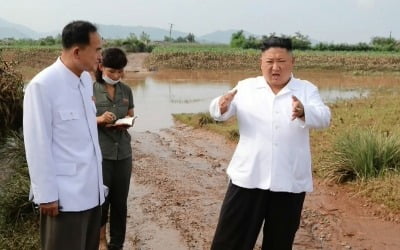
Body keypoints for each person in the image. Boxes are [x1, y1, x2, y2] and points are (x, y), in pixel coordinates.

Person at [209, 37, 331, 250]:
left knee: (279, 242)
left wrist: (304, 112)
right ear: (261, 62)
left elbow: (324, 117)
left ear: (292, 62)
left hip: (289, 182)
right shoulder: (246, 87)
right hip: (248, 178)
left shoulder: (305, 89)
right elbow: (221, 111)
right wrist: (220, 106)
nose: (275, 67)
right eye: (269, 61)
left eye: (281, 61)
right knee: (229, 241)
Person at [23, 21, 105, 250]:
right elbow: (37, 144)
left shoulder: (85, 81)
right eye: (97, 49)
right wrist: (46, 195)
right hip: (65, 199)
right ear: (77, 51)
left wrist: (100, 188)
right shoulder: (42, 85)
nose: (101, 56)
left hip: (92, 193)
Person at [93, 48, 134, 250]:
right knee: (101, 200)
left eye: (120, 72)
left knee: (120, 201)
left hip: (123, 153)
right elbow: (79, 121)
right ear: (101, 67)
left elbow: (130, 113)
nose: (116, 76)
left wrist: (126, 122)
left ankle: (117, 244)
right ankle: (100, 241)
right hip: (100, 154)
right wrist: (99, 119)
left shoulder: (126, 90)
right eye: (112, 72)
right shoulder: (90, 89)